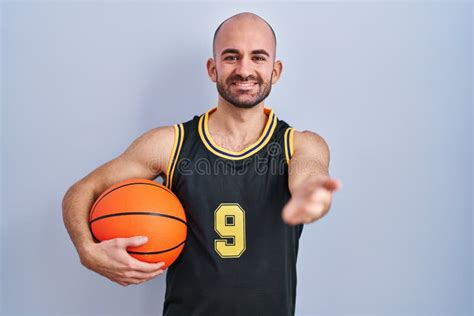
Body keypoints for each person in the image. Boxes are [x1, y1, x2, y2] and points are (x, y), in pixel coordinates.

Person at [62, 11, 342, 316]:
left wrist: (311, 194)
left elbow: (309, 174)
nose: (244, 69)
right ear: (213, 68)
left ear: (276, 71)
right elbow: (81, 191)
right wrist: (87, 251)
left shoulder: (299, 145)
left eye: (258, 58)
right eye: (231, 57)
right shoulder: (170, 144)